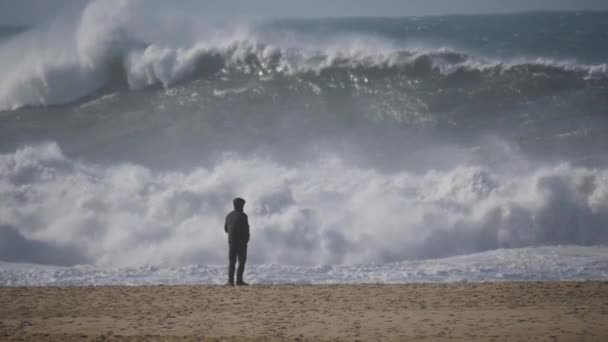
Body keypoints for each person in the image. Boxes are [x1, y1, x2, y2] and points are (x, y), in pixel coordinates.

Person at [224, 197, 250, 286]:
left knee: (232, 261)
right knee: (241, 261)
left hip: (231, 242)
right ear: (241, 205)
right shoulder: (243, 215)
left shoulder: (229, 215)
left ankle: (230, 281)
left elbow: (226, 229)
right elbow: (246, 229)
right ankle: (239, 281)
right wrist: (246, 239)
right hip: (241, 242)